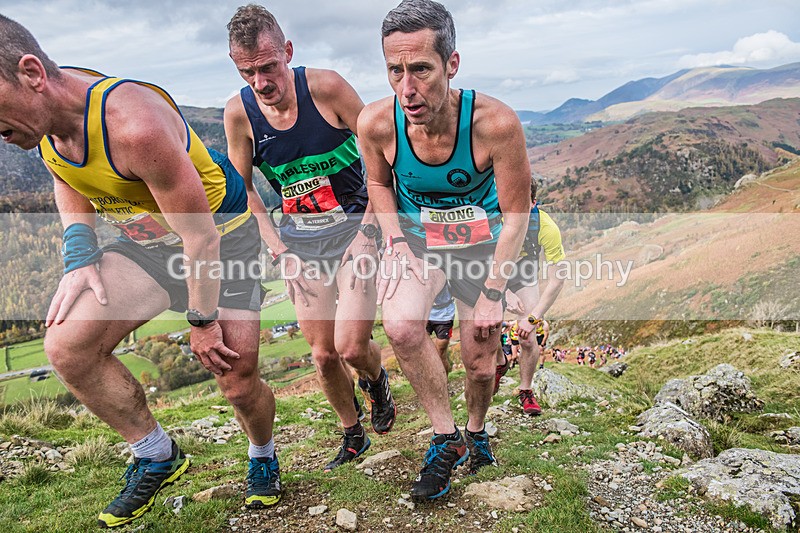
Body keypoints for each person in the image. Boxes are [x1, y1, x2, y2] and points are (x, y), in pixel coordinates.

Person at [0, 14, 280, 527]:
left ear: (32, 73)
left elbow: (200, 237)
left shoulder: (135, 125)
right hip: (150, 241)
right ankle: (156, 455)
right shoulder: (43, 117)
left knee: (237, 379)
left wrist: (202, 321)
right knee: (67, 346)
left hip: (221, 236)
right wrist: (79, 251)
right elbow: (66, 173)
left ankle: (262, 454)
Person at [358, 0, 531, 501]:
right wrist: (394, 242)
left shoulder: (494, 123)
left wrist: (496, 290)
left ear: (451, 65)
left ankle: (476, 429)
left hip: (485, 248)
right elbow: (377, 182)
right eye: (395, 70)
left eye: (420, 70)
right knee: (401, 324)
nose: (406, 89)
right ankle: (445, 437)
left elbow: (518, 213)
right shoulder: (377, 124)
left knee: (480, 365)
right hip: (419, 243)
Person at [223, 5, 395, 472]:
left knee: (352, 348)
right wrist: (278, 250)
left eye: (268, 67)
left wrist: (370, 230)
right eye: (248, 72)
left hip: (354, 230)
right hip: (300, 243)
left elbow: (383, 152)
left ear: (288, 53)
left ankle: (376, 380)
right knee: (322, 356)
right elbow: (245, 196)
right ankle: (352, 433)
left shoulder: (327, 88)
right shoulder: (239, 114)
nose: (261, 82)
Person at [502, 182, 567, 415]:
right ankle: (499, 361)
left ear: (533, 202)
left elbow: (558, 279)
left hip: (522, 275)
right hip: (485, 272)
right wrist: (502, 292)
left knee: (528, 337)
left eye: (523, 204)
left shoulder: (546, 226)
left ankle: (526, 390)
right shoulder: (491, 214)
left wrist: (534, 318)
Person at [426, 283, 456, 374]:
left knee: (441, 353)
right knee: (423, 350)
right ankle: (429, 381)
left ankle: (444, 385)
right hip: (425, 313)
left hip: (445, 315)